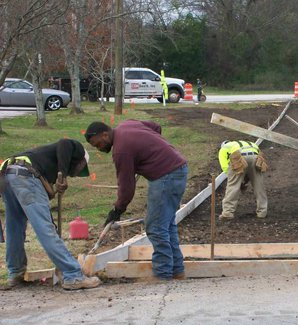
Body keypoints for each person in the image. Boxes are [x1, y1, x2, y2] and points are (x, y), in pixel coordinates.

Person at [84, 120, 188, 280]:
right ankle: (177, 271)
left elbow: (126, 187)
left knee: (155, 228)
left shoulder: (121, 151)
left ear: (104, 134)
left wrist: (117, 209)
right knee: (167, 225)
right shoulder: (126, 125)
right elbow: (156, 127)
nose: (99, 148)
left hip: (166, 177)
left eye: (98, 144)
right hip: (178, 169)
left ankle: (163, 274)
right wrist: (149, 150)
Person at [0, 139, 101, 290]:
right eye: (79, 169)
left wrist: (57, 183)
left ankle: (15, 273)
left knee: (14, 226)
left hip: (7, 175)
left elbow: (42, 193)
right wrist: (63, 175)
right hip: (25, 175)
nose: (77, 173)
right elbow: (64, 143)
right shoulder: (75, 149)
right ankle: (73, 275)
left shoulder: (45, 161)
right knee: (44, 229)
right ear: (79, 162)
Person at [218, 140, 268, 220]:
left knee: (233, 187)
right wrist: (244, 178)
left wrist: (235, 179)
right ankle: (262, 212)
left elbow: (225, 167)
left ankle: (228, 213)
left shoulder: (224, 149)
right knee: (259, 185)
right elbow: (251, 163)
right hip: (256, 157)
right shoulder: (246, 143)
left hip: (239, 157)